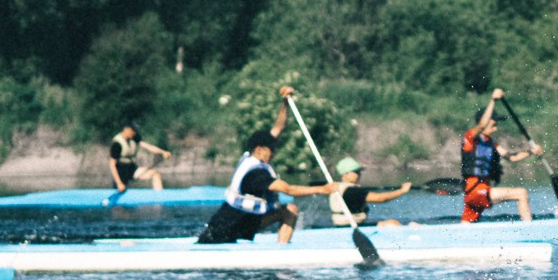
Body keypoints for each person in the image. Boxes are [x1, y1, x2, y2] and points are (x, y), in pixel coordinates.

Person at [196, 87, 335, 244]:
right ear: (259, 150)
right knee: (287, 207)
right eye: (271, 150)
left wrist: (285, 102)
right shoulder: (255, 174)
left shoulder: (253, 155)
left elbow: (278, 128)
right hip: (224, 231)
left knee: (289, 210)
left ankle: (282, 253)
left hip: (246, 222)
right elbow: (288, 189)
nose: (274, 153)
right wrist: (323, 189)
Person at [461, 90, 536, 222]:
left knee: (465, 228)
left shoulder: (491, 144)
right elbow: (482, 125)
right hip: (477, 190)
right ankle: (530, 229)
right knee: (521, 193)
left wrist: (532, 151)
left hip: (475, 193)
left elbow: (512, 157)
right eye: (493, 125)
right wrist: (493, 100)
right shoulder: (471, 138)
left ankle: (417, 228)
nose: (495, 129)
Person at [328, 157, 411, 228]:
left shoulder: (340, 187)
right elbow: (381, 198)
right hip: (350, 227)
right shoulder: (352, 191)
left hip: (347, 225)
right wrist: (402, 191)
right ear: (346, 174)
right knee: (393, 224)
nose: (359, 174)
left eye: (359, 172)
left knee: (392, 223)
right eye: (356, 172)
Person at [108, 122, 171, 193]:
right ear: (126, 129)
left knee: (155, 174)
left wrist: (163, 152)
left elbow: (148, 147)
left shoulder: (134, 137)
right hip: (120, 172)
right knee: (120, 190)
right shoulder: (117, 144)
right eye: (133, 130)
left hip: (131, 169)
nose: (134, 132)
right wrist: (119, 183)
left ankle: (159, 196)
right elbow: (112, 165)